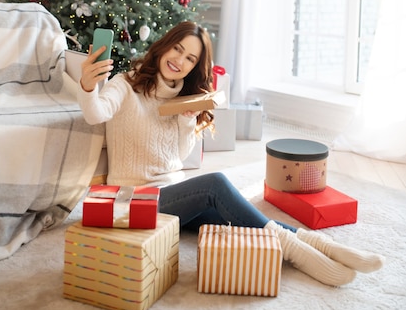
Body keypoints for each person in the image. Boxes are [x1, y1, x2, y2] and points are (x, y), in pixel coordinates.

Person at [77, 21, 384, 287]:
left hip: (174, 196)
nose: (179, 60)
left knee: (239, 215)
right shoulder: (125, 84)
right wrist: (88, 86)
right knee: (215, 186)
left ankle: (321, 245)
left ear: (195, 66)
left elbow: (178, 156)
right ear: (164, 45)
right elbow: (96, 113)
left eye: (190, 58)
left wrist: (186, 119)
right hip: (137, 202)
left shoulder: (185, 96)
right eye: (178, 49)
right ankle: (298, 252)